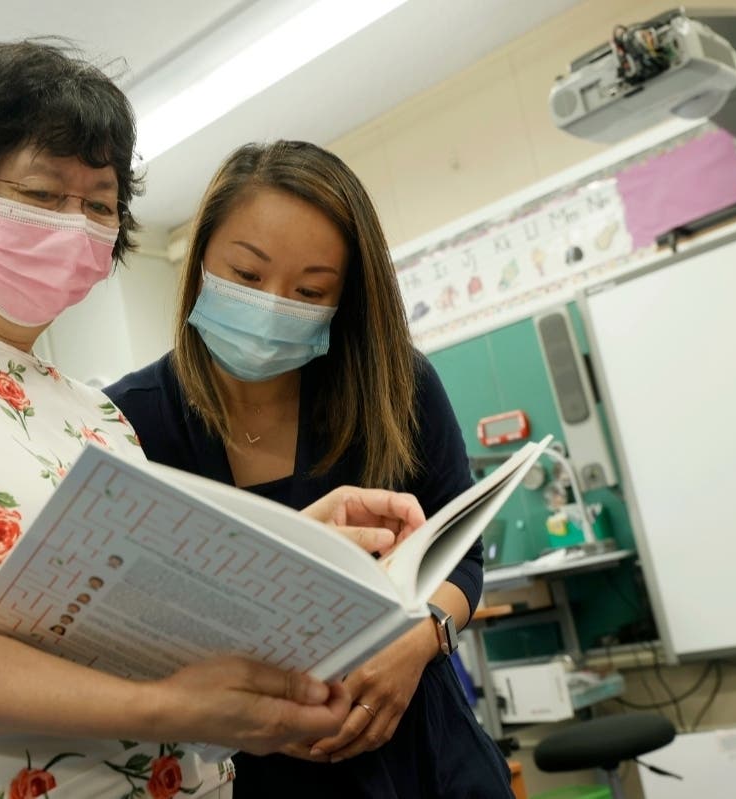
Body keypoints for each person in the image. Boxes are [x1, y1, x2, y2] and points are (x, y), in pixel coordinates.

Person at [0, 45, 429, 799]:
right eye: (42, 194)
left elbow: (122, 622)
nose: (75, 225)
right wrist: (162, 707)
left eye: (99, 205)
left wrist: (295, 549)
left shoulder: (94, 412)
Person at [105, 140, 514, 798]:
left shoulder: (393, 386)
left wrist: (418, 638)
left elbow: (460, 554)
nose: (272, 305)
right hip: (246, 772)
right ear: (200, 260)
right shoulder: (127, 422)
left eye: (309, 290)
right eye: (246, 275)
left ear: (344, 297)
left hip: (420, 755)